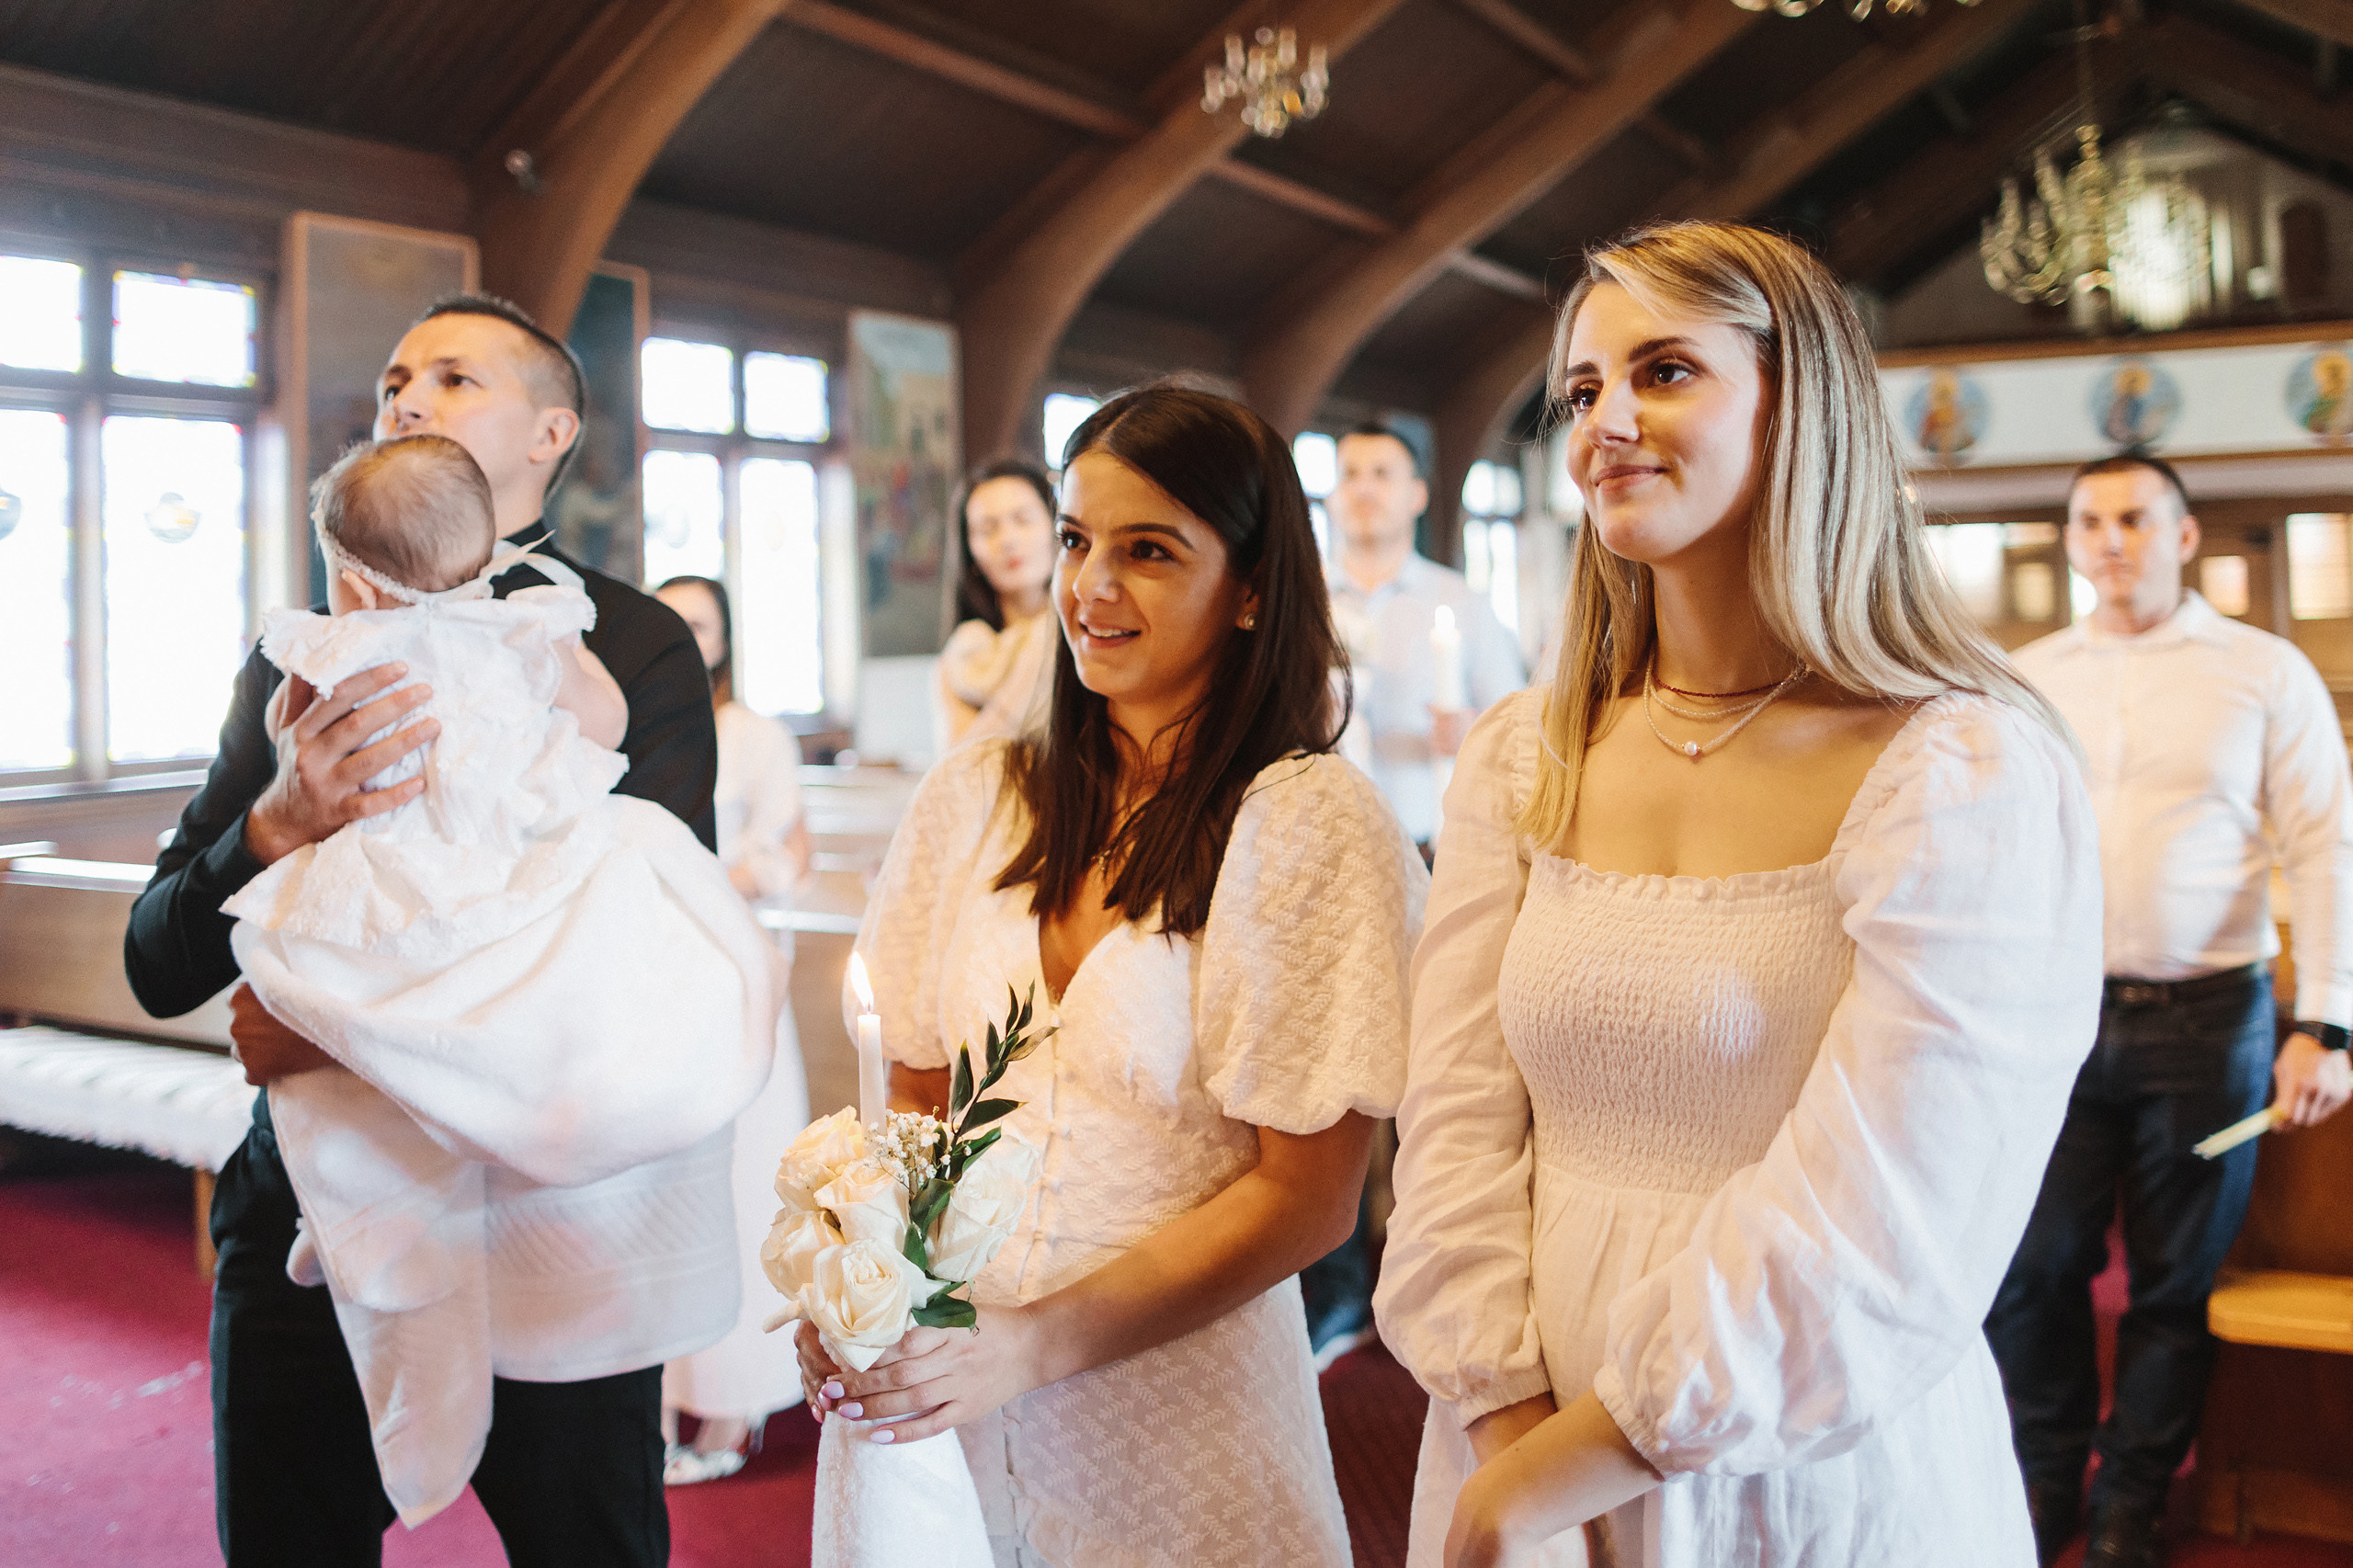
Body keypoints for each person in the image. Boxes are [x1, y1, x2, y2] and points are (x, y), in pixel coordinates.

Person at [1373, 222, 2103, 1568]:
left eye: (1664, 371)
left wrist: (1582, 1462)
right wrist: (1507, 1438)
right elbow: (1454, 1129)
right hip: (1512, 1428)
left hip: (1806, 1444)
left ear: (1798, 401)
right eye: (1583, 390)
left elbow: (1887, 1213)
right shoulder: (1525, 754)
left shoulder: (1959, 769)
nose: (1607, 422)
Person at [126, 292, 723, 1568]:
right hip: (306, 1225)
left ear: (551, 430)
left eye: (454, 378)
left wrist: (329, 1036)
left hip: (555, 1218)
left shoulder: (625, 646)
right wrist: (274, 826)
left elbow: (652, 959)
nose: (407, 397)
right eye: (398, 377)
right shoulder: (307, 655)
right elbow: (158, 958)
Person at [799, 384, 1427, 1566]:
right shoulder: (976, 797)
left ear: (1250, 588)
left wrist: (1033, 1342)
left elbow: (1309, 1197)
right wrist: (865, 1279)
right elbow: (916, 1103)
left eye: (1148, 551)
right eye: (1079, 538)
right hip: (957, 1391)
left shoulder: (1303, 823)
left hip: (1177, 1410)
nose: (1089, 586)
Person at [227, 436, 777, 1527]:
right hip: (522, 865)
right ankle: (360, 1228)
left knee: (335, 995)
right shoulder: (537, 620)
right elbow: (604, 727)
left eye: (453, 377)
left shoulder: (330, 647)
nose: (415, 393)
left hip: (396, 885)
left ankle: (361, 1222)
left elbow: (297, 732)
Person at [1987, 454, 2353, 1568]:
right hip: (2049, 1020)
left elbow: (2324, 841)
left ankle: (2131, 1500)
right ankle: (2044, 1477)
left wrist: (2327, 1020)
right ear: (2070, 539)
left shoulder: (2262, 670)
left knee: (2172, 1278)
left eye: (2134, 518)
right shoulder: (2025, 674)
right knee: (2033, 1261)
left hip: (2210, 1021)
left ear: (2183, 536)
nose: (2110, 538)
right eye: (2089, 520)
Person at [653, 573, 815, 1483]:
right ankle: (675, 1383)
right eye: (668, 617)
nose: (684, 633)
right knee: (671, 1188)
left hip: (735, 976)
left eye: (700, 620)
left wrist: (715, 875)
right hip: (659, 983)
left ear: (723, 637)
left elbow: (779, 854)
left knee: (747, 1182)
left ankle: (739, 1399)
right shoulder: (633, 724)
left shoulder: (755, 735)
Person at [1325, 422, 1523, 848]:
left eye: (1381, 474)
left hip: (1432, 842)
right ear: (1332, 497)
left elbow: (1519, 728)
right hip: (1322, 838)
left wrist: (1473, 731)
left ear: (1417, 495)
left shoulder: (1463, 603)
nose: (1364, 489)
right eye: (1350, 475)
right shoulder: (1303, 601)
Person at [937, 458, 1060, 749]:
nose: (1008, 540)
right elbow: (958, 773)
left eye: (1023, 519)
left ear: (1056, 528)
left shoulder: (1087, 637)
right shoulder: (961, 659)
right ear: (971, 553)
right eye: (988, 529)